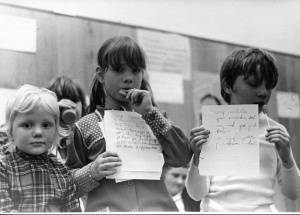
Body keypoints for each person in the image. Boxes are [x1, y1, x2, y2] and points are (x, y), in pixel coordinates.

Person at [64, 35, 192, 212]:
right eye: (118, 69)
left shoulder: (153, 119)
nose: (128, 78)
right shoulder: (84, 126)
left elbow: (182, 157)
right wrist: (91, 171)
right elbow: (66, 187)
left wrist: (151, 113)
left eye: (136, 70)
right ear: (100, 75)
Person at [186, 47, 300, 212]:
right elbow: (196, 194)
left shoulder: (275, 131)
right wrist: (196, 159)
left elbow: (293, 193)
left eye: (269, 86)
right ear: (227, 86)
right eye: (253, 83)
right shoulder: (210, 130)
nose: (263, 93)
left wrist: (287, 158)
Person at [0, 85, 81, 213]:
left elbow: (73, 211)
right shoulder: (4, 169)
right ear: (10, 132)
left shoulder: (63, 172)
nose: (38, 132)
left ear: (55, 130)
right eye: (27, 125)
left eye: (46, 125)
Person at [47, 76, 87, 162]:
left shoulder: (87, 136)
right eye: (59, 100)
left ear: (83, 106)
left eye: (73, 100)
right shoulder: (44, 137)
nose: (67, 105)